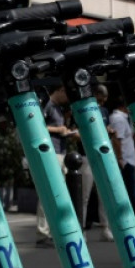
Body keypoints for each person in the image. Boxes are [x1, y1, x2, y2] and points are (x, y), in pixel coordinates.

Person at [35, 83, 93, 246]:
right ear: (60, 90)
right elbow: (37, 127)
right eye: (66, 94)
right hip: (51, 152)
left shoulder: (58, 108)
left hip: (60, 151)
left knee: (59, 193)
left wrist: (66, 132)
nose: (67, 99)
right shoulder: (47, 105)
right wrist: (59, 130)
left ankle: (52, 231)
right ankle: (42, 233)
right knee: (49, 192)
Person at [107, 96, 135, 224]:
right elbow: (117, 139)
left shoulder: (123, 119)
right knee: (130, 189)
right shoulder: (118, 119)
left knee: (130, 188)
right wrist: (120, 157)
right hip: (125, 158)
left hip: (128, 158)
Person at [84, 84, 114, 241]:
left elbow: (106, 125)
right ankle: (82, 229)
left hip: (102, 154)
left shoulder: (104, 111)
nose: (102, 102)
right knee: (84, 196)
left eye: (104, 100)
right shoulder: (84, 109)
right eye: (100, 99)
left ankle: (105, 228)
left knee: (104, 194)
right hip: (86, 156)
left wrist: (109, 130)